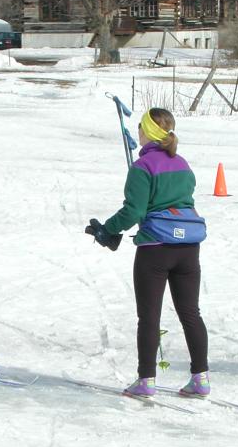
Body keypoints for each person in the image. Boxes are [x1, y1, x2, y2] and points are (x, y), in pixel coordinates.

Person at [86, 108, 209, 398]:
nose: (137, 131)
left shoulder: (142, 167)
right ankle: (200, 378)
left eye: (140, 127)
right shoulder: (183, 163)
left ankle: (146, 380)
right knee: (191, 313)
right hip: (189, 247)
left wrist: (107, 230)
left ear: (147, 133)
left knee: (149, 317)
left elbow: (134, 211)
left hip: (156, 248)